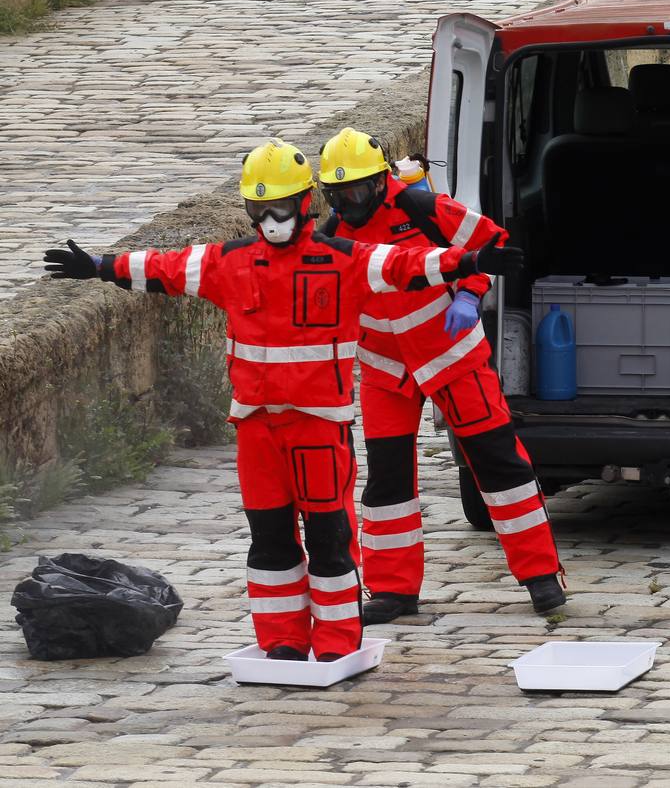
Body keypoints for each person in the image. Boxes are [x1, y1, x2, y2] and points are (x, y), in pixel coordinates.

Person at [39, 140, 523, 662]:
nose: (271, 218)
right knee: (268, 541)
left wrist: (469, 265)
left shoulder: (344, 259)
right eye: (259, 208)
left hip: (318, 427)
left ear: (305, 203)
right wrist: (99, 265)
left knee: (328, 538)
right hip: (255, 429)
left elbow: (408, 263)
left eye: (281, 206)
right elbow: (165, 267)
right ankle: (281, 644)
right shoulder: (229, 262)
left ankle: (338, 645)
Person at [315, 128, 566, 624]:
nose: (350, 203)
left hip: (453, 357)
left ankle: (541, 577)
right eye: (339, 195)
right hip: (386, 370)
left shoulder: (421, 207)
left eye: (358, 192)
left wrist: (471, 292)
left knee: (499, 466)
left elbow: (490, 241)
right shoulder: (333, 234)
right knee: (386, 482)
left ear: (380, 182)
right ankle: (392, 591)